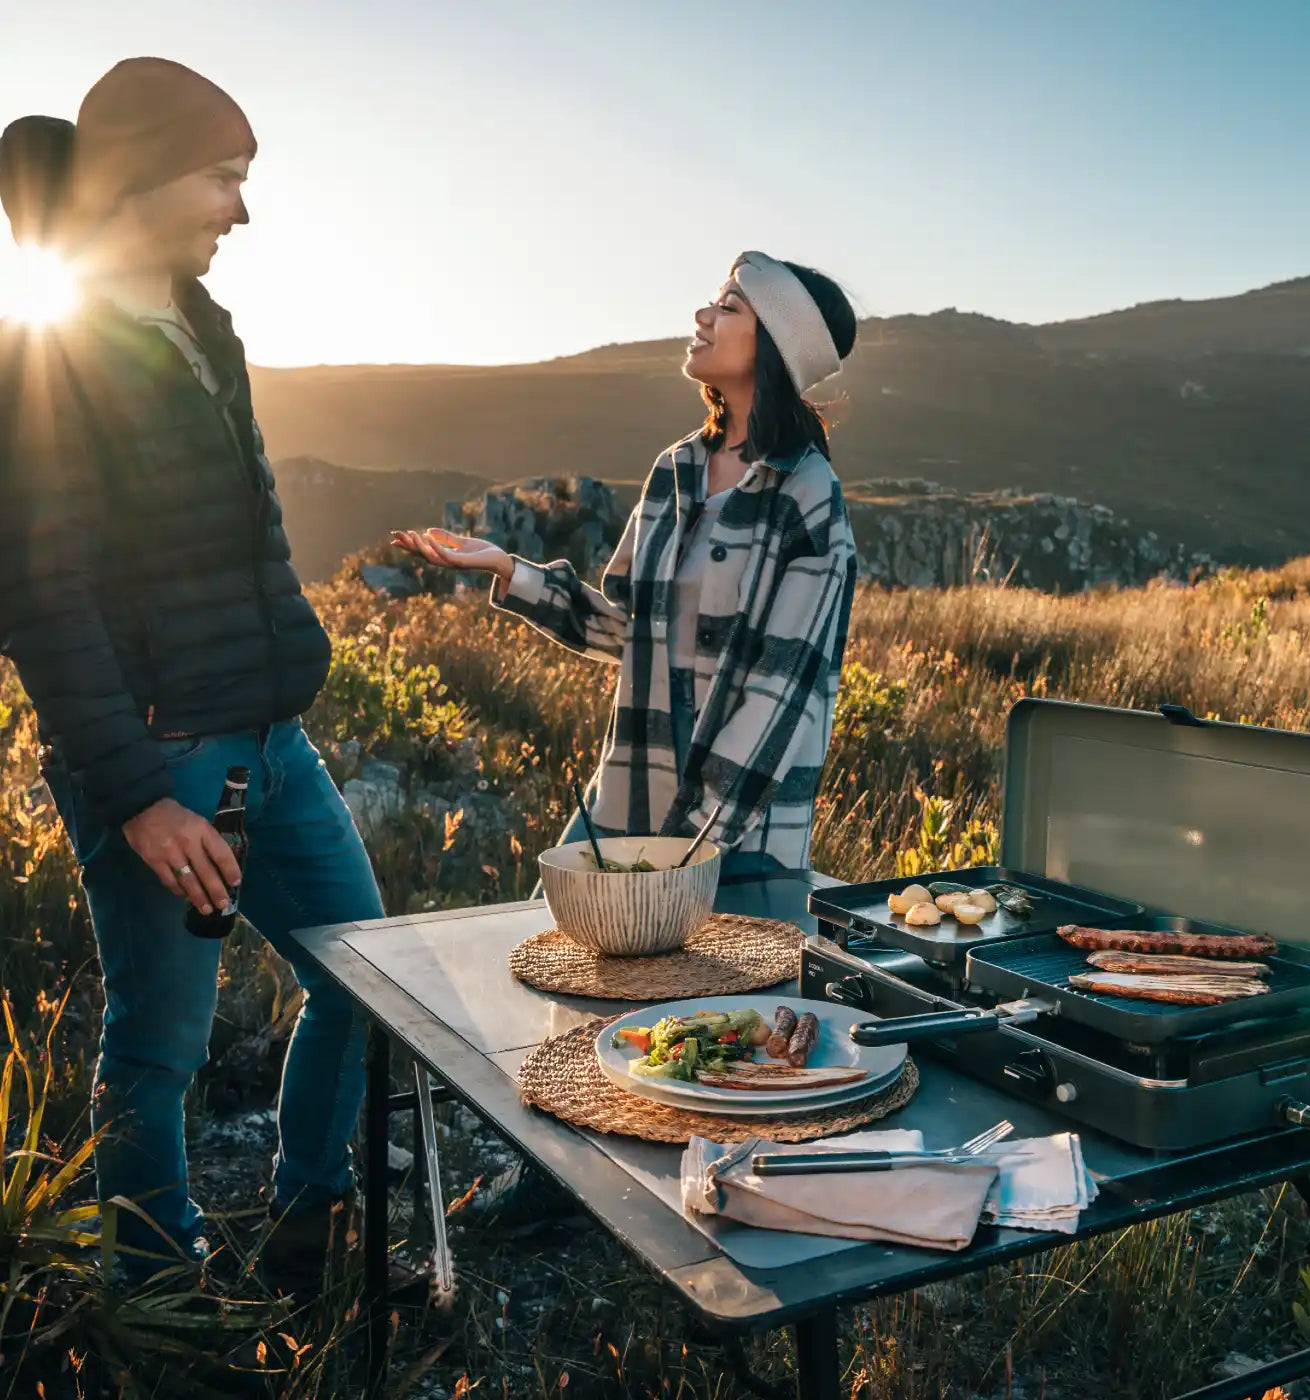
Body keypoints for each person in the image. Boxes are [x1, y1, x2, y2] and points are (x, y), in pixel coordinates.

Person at [0, 60, 385, 1292]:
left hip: (274, 740)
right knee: (158, 1050)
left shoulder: (204, 328)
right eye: (223, 176)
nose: (240, 208)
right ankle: (157, 1302)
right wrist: (137, 798)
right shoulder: (46, 356)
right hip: (165, 762)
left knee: (366, 977)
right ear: (143, 177)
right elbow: (43, 598)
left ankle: (306, 1227)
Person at [396, 253, 859, 876]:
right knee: (552, 935)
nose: (702, 315)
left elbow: (780, 697)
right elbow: (629, 632)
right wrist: (509, 571)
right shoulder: (676, 470)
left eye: (728, 307)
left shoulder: (807, 496)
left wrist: (691, 846)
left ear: (776, 344)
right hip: (631, 798)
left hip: (739, 839)